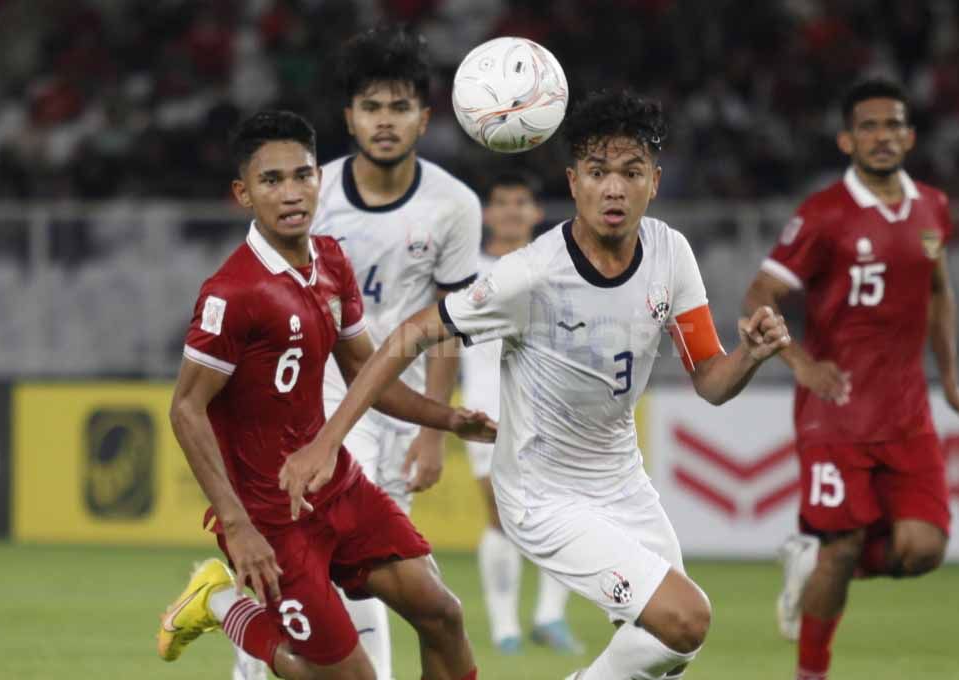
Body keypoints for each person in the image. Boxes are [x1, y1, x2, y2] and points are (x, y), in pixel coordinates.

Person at [279, 90, 793, 680]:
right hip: (541, 494)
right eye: (598, 173)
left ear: (655, 179)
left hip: (622, 482)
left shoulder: (671, 254)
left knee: (672, 649)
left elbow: (710, 380)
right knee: (685, 617)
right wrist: (328, 440)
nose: (615, 189)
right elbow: (407, 337)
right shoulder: (529, 275)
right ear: (574, 182)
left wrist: (751, 354)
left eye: (631, 173)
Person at [157, 110, 490, 680]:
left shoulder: (332, 261)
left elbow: (367, 375)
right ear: (243, 194)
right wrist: (238, 527)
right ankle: (221, 604)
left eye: (302, 175)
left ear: (318, 180)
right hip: (270, 519)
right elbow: (185, 409)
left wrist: (448, 418)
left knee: (444, 615)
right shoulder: (233, 292)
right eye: (271, 181)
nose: (291, 193)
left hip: (338, 489)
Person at [742, 78, 959, 680]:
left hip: (907, 413)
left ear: (911, 135)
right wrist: (798, 361)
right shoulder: (824, 214)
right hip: (836, 414)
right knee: (845, 545)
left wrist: (950, 382)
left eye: (893, 124)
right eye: (869, 126)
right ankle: (811, 670)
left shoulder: (933, 206)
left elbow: (939, 292)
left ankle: (815, 562)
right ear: (847, 139)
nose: (882, 136)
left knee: (924, 550)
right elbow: (759, 294)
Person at [258, 26, 480, 680]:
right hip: (314, 405)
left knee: (383, 578)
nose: (386, 122)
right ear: (350, 118)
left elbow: (450, 323)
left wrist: (435, 431)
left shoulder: (454, 207)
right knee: (333, 562)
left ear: (424, 118)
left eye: (400, 107)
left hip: (398, 408)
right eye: (372, 107)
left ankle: (242, 628)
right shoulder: (309, 194)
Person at [461, 173, 581, 655]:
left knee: (567, 513)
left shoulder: (556, 267)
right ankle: (504, 627)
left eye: (521, 203)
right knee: (500, 517)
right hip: (484, 407)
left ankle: (549, 617)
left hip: (552, 407)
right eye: (502, 202)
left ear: (536, 213)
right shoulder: (466, 268)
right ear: (487, 214)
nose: (512, 211)